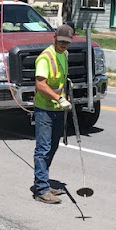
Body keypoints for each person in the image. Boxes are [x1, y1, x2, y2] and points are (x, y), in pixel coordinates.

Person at [33, 24, 74, 204]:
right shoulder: (45, 58)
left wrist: (66, 95)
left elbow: (62, 79)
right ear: (54, 38)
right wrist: (59, 98)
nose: (64, 45)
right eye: (61, 42)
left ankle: (44, 181)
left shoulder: (64, 55)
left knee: (53, 147)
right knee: (43, 149)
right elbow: (40, 84)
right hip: (44, 109)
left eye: (67, 43)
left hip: (58, 108)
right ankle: (41, 189)